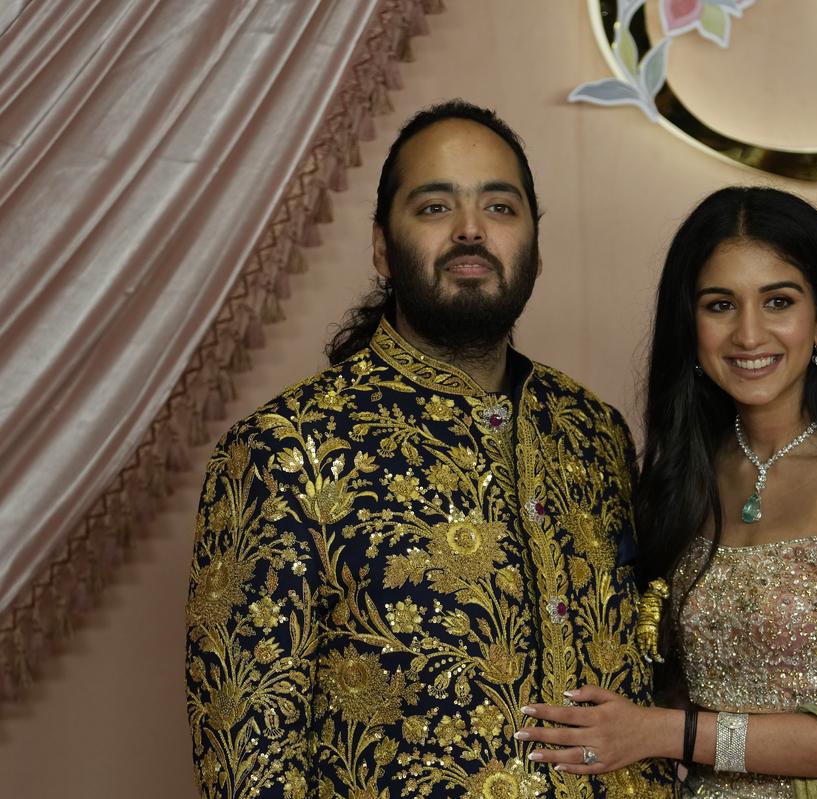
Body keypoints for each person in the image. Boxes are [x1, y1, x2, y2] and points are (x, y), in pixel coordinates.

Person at [185, 100, 674, 798]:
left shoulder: (591, 432)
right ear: (383, 245)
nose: (471, 230)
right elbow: (247, 764)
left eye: (500, 208)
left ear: (536, 244)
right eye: (436, 206)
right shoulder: (283, 450)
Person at [517, 187, 817, 797]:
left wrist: (666, 733)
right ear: (689, 324)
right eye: (720, 305)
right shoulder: (682, 480)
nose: (748, 333)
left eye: (778, 301)